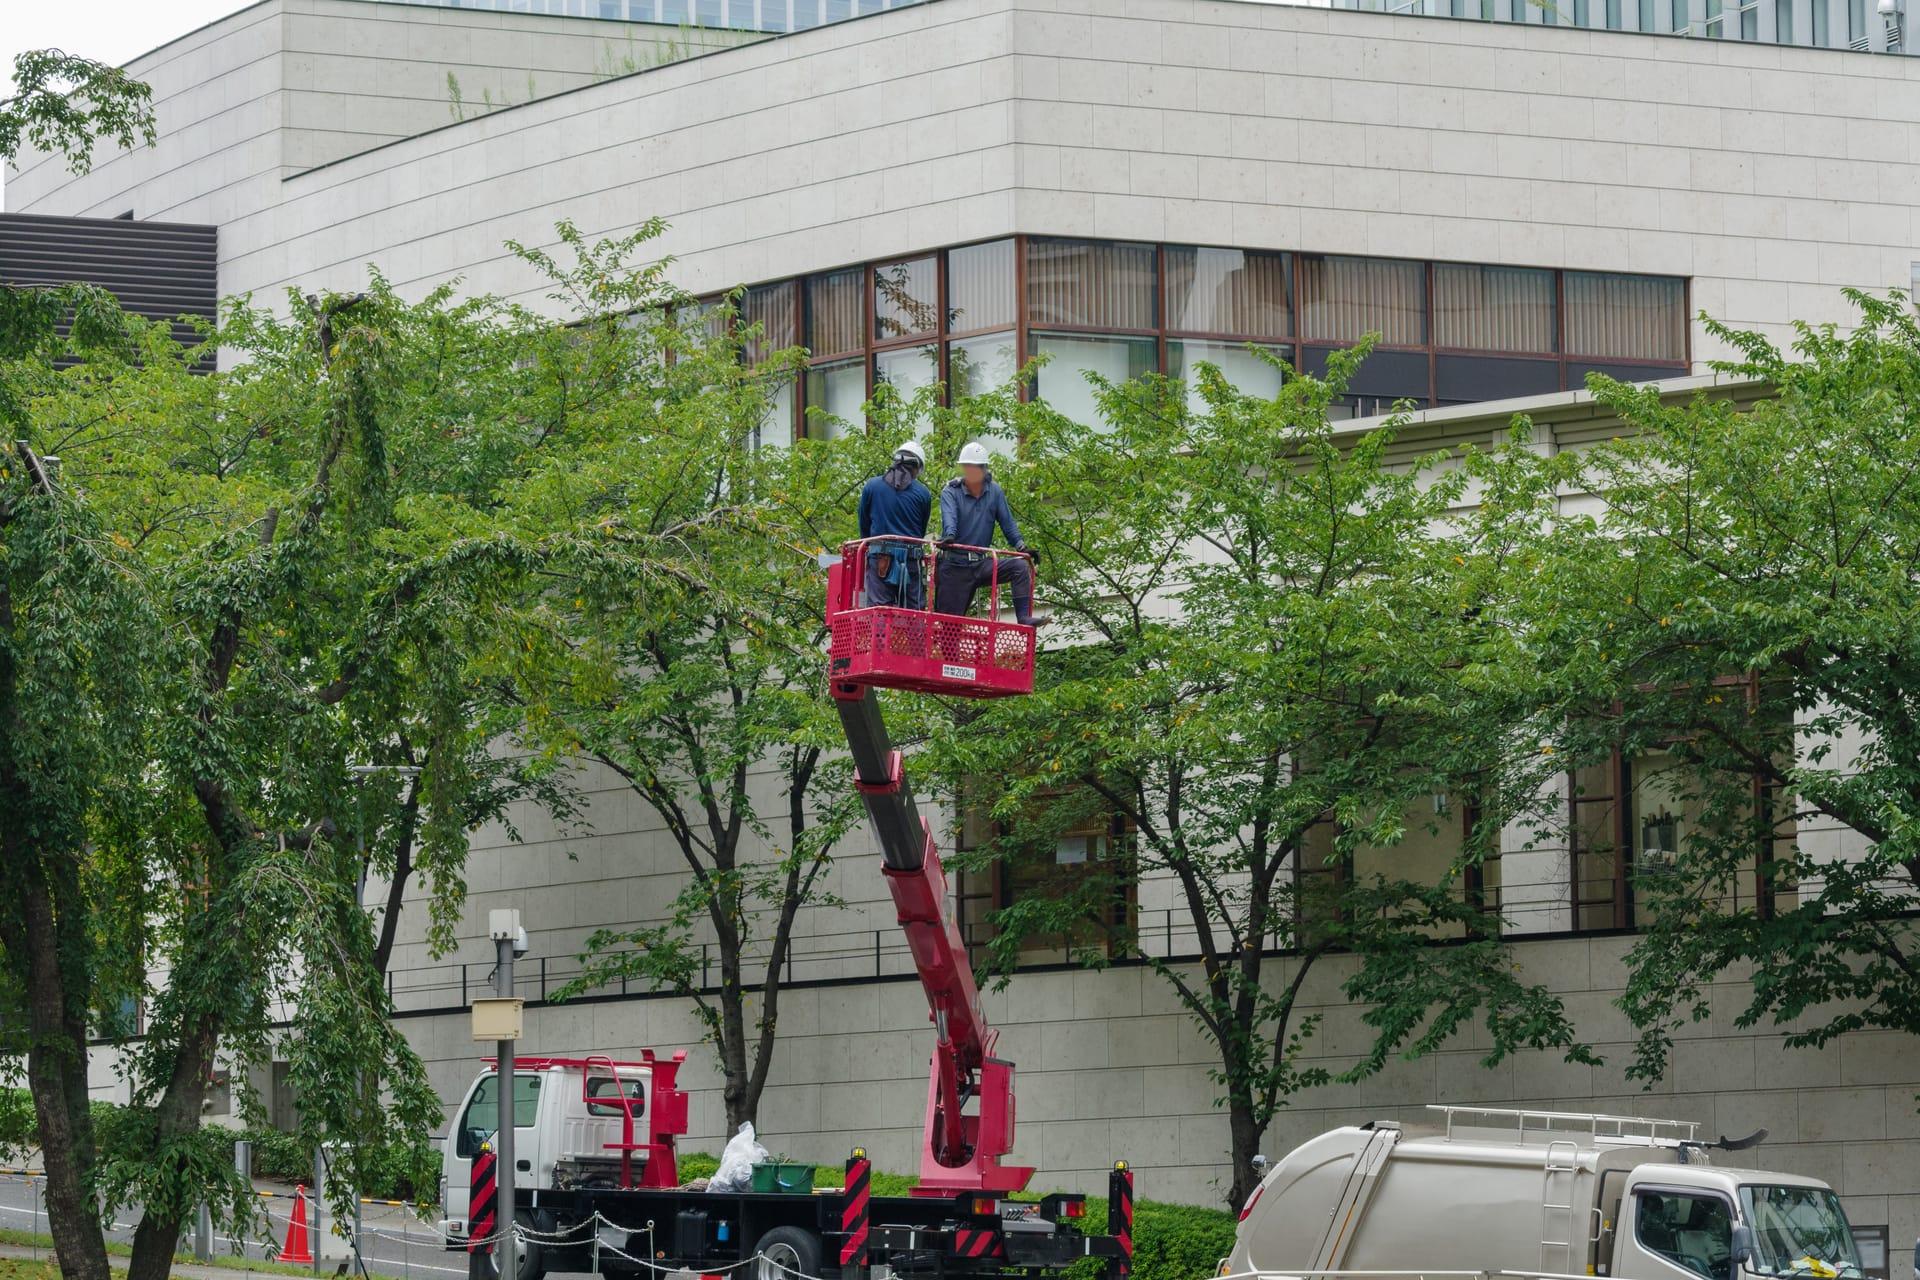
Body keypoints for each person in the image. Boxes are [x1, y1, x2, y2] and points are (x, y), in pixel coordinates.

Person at [934, 440, 1043, 627]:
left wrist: (1022, 547)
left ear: (984, 469)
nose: (972, 472)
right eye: (968, 468)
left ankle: (1023, 617)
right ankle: (947, 654)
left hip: (981, 563)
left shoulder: (995, 492)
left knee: (1019, 567)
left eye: (976, 468)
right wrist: (950, 534)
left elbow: (1007, 523)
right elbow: (949, 516)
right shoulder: (951, 491)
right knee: (949, 627)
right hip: (955, 565)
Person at [857, 439, 932, 608]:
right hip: (911, 559)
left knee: (879, 609)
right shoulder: (923, 493)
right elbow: (920, 530)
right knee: (915, 612)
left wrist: (870, 544)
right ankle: (916, 635)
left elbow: (864, 522)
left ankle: (880, 636)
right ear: (917, 467)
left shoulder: (872, 486)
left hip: (879, 557)